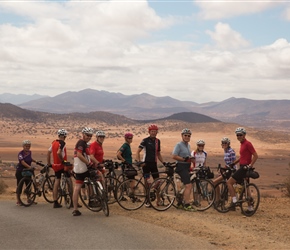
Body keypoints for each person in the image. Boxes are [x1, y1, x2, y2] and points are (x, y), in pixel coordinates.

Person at [227, 127, 258, 212]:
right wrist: (234, 163)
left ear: (244, 135)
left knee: (229, 182)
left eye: (240, 135)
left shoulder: (248, 143)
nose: (239, 136)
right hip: (242, 167)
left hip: (244, 168)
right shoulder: (242, 144)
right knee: (245, 187)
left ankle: (234, 200)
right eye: (237, 135)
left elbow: (255, 156)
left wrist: (250, 165)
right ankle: (250, 208)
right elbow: (242, 157)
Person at [136, 124, 165, 206]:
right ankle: (147, 200)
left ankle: (158, 201)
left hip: (154, 164)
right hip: (146, 164)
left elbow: (158, 153)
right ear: (149, 132)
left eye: (155, 131)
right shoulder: (145, 140)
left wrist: (164, 162)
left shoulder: (157, 141)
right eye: (152, 131)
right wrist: (139, 162)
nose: (153, 133)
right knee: (146, 182)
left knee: (157, 182)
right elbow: (138, 151)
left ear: (157, 132)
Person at [172, 128, 196, 212]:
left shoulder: (188, 145)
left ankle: (180, 203)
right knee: (188, 186)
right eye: (185, 135)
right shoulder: (179, 145)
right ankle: (187, 204)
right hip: (181, 167)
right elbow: (174, 156)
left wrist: (191, 159)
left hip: (186, 167)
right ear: (182, 136)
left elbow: (187, 157)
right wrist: (184, 159)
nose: (187, 137)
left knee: (183, 186)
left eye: (188, 136)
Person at [47, 129, 72, 208]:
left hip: (55, 165)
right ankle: (72, 200)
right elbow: (58, 152)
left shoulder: (54, 143)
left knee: (57, 181)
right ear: (65, 136)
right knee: (69, 181)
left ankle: (55, 201)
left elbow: (48, 152)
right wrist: (63, 161)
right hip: (62, 165)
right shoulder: (62, 143)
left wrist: (49, 163)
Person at [72, 127, 94, 216]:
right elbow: (79, 155)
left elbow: (89, 155)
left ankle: (75, 209)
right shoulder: (81, 143)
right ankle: (92, 200)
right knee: (94, 179)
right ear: (83, 134)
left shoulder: (83, 143)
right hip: (83, 168)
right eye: (87, 135)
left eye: (90, 135)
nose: (89, 137)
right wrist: (88, 163)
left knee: (77, 187)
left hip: (78, 169)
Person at [212, 137, 237, 203]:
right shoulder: (226, 151)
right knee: (217, 180)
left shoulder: (231, 151)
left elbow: (233, 162)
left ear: (228, 144)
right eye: (223, 143)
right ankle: (219, 199)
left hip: (231, 171)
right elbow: (228, 163)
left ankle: (218, 200)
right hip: (227, 170)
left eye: (225, 143)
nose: (224, 144)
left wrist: (228, 168)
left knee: (215, 182)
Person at [15, 140, 38, 206]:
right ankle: (18, 201)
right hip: (20, 171)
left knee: (29, 185)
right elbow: (22, 162)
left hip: (27, 171)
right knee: (20, 185)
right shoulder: (20, 154)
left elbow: (30, 159)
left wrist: (36, 161)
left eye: (29, 146)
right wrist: (30, 167)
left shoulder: (30, 152)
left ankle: (29, 199)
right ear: (23, 146)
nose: (27, 147)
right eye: (26, 146)